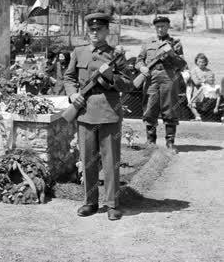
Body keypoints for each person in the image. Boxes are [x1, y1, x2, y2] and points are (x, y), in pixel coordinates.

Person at [63, 12, 132, 221]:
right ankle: (90, 202)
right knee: (88, 160)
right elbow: (68, 77)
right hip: (84, 113)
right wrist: (73, 94)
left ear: (107, 31)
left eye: (99, 29)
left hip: (109, 112)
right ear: (88, 31)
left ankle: (112, 204)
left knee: (111, 161)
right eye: (91, 29)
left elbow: (128, 84)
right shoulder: (79, 51)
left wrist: (112, 77)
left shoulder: (116, 55)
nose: (95, 32)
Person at [136, 16, 186, 152]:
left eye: (163, 26)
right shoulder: (147, 43)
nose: (160, 29)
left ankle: (170, 143)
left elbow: (182, 64)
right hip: (151, 78)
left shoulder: (175, 43)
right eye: (158, 26)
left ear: (168, 27)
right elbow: (139, 61)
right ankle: (150, 142)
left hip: (168, 78)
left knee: (170, 109)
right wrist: (142, 68)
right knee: (150, 108)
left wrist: (171, 53)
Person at [187, 53, 219, 121]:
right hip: (197, 90)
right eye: (199, 62)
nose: (201, 63)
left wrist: (204, 80)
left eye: (203, 62)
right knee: (191, 104)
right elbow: (196, 82)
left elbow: (212, 81)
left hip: (208, 91)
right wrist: (205, 80)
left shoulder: (209, 71)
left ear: (206, 62)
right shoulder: (194, 70)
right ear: (196, 62)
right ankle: (197, 116)